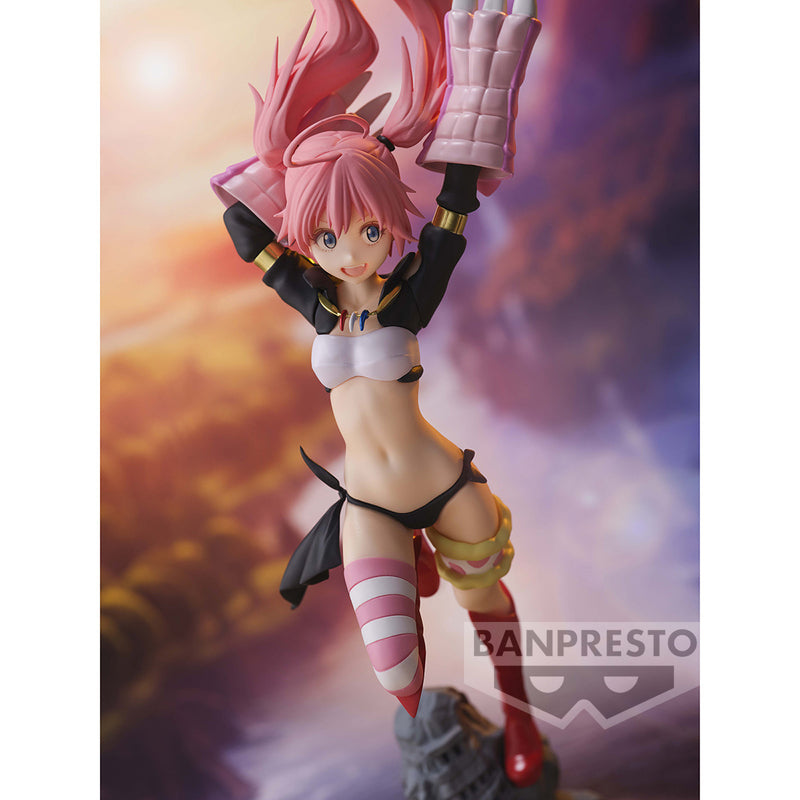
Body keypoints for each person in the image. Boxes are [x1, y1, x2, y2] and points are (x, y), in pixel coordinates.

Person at [212, 0, 544, 787]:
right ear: (307, 235)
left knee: (486, 603)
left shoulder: (408, 296)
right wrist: (303, 157)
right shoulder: (312, 299)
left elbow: (454, 208)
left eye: (367, 229)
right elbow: (243, 226)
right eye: (328, 236)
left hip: (440, 480)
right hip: (366, 498)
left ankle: (522, 719)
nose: (353, 251)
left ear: (389, 217)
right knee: (398, 669)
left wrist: (442, 120)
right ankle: (411, 561)